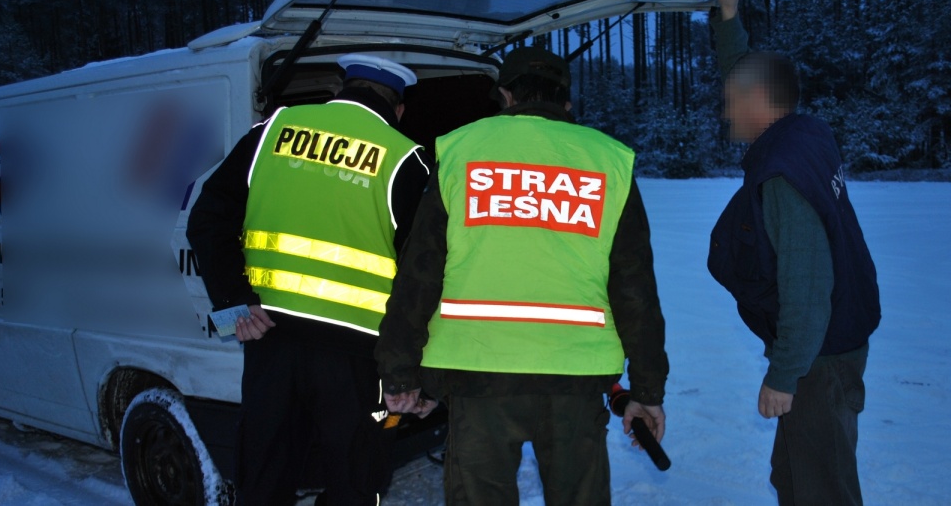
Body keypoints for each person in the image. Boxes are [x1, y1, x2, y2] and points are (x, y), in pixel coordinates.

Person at [374, 46, 669, 506]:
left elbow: (419, 274)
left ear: (506, 97)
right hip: (576, 378)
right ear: (566, 102)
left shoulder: (460, 150)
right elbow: (635, 288)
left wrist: (401, 372)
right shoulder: (608, 160)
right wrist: (647, 389)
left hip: (479, 377)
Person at [186, 54, 431, 506]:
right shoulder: (406, 159)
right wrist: (414, 372)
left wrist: (232, 301)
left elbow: (206, 220)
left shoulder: (271, 131)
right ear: (398, 109)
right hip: (359, 359)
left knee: (263, 479)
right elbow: (422, 279)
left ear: (339, 91)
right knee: (355, 482)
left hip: (269, 342)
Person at [706, 0, 881, 504]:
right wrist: (729, 16)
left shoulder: (782, 173)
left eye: (731, 99)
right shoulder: (807, 133)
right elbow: (743, 72)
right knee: (794, 477)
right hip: (831, 348)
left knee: (821, 488)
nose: (724, 108)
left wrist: (784, 376)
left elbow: (807, 284)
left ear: (758, 100)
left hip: (818, 360)